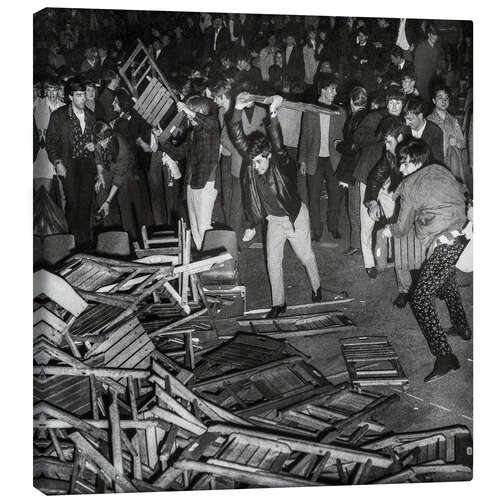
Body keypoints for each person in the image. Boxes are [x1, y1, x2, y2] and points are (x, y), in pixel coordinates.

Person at [382, 139, 470, 382]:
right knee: (446, 279)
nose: (401, 169)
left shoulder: (410, 186)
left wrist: (389, 230)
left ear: (417, 162)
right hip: (465, 233)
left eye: (405, 164)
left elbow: (401, 228)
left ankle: (445, 358)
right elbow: (461, 191)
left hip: (446, 241)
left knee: (419, 298)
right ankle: (461, 326)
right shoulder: (441, 169)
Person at [230, 92, 322, 318]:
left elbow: (279, 145)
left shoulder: (281, 164)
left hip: (294, 218)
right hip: (274, 222)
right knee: (273, 261)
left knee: (305, 256)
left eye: (260, 161)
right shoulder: (253, 163)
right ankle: (279, 303)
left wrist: (273, 113)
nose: (256, 166)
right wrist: (238, 109)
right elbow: (239, 139)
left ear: (268, 155)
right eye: (253, 162)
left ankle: (317, 286)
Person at [364, 117, 425, 307]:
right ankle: (404, 290)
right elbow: (374, 177)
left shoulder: (418, 152)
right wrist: (372, 202)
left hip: (422, 209)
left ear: (400, 138)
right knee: (400, 249)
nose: (386, 146)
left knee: (421, 251)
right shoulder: (390, 154)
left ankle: (424, 288)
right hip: (403, 206)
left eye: (389, 142)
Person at [351, 88, 406, 278]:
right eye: (391, 102)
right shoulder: (375, 117)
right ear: (386, 102)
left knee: (396, 218)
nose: (394, 106)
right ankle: (369, 263)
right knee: (367, 221)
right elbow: (357, 137)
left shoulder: (404, 122)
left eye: (398, 103)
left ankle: (391, 255)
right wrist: (379, 135)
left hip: (391, 179)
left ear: (403, 104)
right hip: (369, 175)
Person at [160, 96, 220, 250]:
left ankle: (210, 260)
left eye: (189, 112)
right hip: (192, 182)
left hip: (206, 183)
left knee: (204, 227)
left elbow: (208, 122)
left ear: (199, 112)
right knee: (195, 229)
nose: (186, 116)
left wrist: (188, 111)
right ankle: (203, 260)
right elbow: (179, 153)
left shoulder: (212, 125)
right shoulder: (192, 132)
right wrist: (161, 140)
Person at [46, 79, 96, 246]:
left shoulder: (91, 116)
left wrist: (94, 145)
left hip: (86, 165)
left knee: (86, 203)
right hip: (68, 164)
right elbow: (50, 142)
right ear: (70, 96)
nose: (83, 98)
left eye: (84, 95)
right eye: (79, 95)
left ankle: (86, 244)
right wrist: (57, 162)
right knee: (73, 202)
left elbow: (99, 139)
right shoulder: (59, 116)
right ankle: (73, 244)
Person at [298, 74, 346, 241]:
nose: (335, 92)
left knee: (336, 195)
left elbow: (345, 137)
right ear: (324, 90)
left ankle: (333, 227)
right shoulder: (310, 110)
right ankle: (316, 230)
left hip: (334, 160)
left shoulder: (339, 112)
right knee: (313, 196)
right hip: (314, 158)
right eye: (332, 89)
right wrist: (302, 160)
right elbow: (304, 136)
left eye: (335, 89)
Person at [336, 86, 370, 256]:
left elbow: (352, 146)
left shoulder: (354, 118)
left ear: (351, 101)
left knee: (354, 207)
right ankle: (366, 242)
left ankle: (357, 243)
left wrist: (338, 145)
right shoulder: (370, 116)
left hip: (354, 169)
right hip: (367, 167)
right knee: (365, 207)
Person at [93, 121, 135, 237]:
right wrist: (100, 176)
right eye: (98, 141)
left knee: (123, 201)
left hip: (124, 172)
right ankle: (109, 233)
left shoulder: (122, 147)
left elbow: (118, 177)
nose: (101, 144)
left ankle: (130, 237)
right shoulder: (98, 141)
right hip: (108, 168)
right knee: (101, 191)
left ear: (110, 136)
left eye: (104, 141)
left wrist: (108, 201)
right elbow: (98, 159)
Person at [427, 84, 469, 187]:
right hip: (435, 163)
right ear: (433, 100)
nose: (444, 101)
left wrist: (457, 142)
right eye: (440, 97)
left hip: (452, 163)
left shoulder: (453, 120)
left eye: (446, 98)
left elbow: (462, 143)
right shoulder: (428, 120)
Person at [403, 96, 444, 164]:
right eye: (405, 119)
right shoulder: (403, 130)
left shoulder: (435, 132)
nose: (407, 123)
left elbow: (437, 162)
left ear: (420, 116)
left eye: (410, 119)